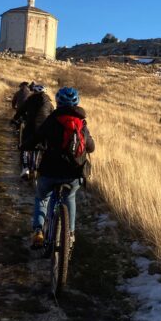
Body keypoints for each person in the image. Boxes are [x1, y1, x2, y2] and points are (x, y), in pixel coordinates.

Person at [26, 87, 95, 249]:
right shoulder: (82, 123)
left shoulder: (51, 120)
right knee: (69, 198)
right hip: (74, 173)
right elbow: (91, 148)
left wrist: (25, 146)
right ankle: (70, 234)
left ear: (57, 102)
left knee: (42, 197)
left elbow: (36, 138)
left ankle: (38, 231)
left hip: (50, 171)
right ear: (77, 102)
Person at [12, 84, 54, 179]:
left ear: (34, 92)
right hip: (44, 129)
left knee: (24, 147)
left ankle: (25, 168)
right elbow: (53, 115)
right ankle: (42, 168)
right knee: (44, 147)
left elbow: (21, 111)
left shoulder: (30, 100)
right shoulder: (49, 103)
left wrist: (14, 119)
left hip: (30, 127)